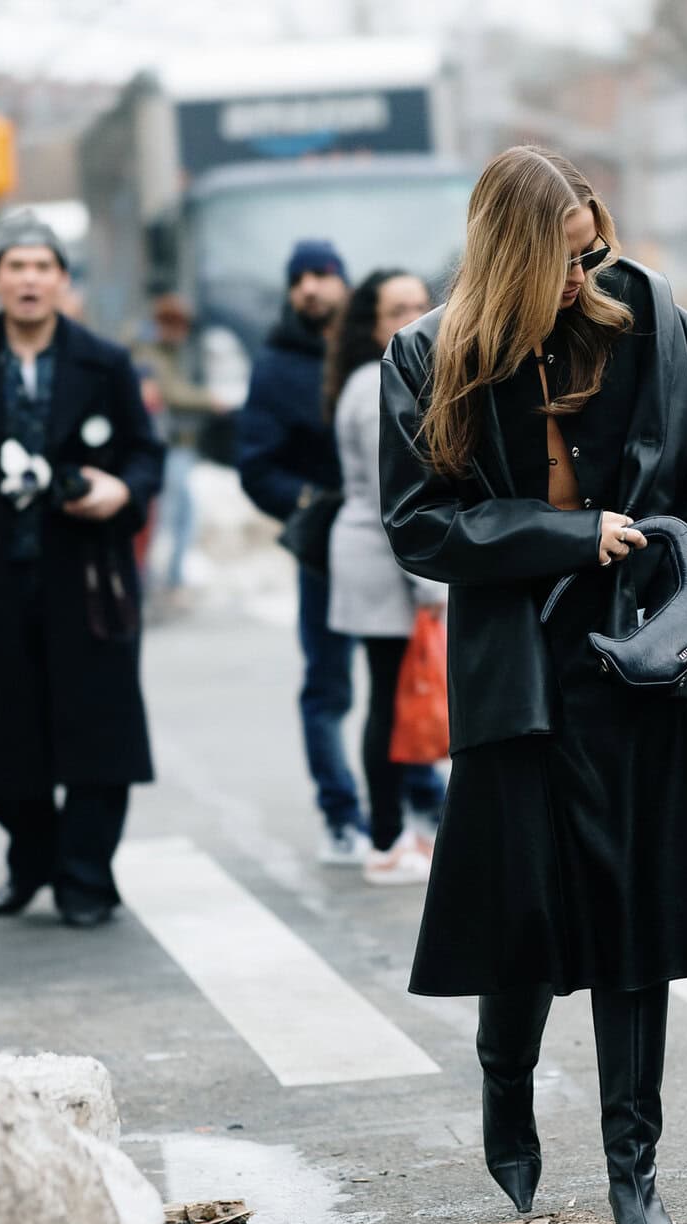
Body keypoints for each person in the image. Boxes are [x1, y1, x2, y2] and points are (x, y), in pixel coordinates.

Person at [378, 146, 687, 1224]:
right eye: (560, 257)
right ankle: (507, 1094)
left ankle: (632, 1171)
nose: (581, 275)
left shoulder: (652, 323)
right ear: (510, 253)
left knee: (637, 927)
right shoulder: (431, 353)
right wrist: (565, 533)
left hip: (641, 660)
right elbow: (420, 522)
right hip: (520, 668)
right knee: (523, 918)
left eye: (590, 251)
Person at [0, 212, 163, 929]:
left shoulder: (106, 361)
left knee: (99, 731)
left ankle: (85, 875)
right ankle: (33, 856)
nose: (30, 279)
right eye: (16, 266)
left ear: (62, 280)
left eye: (43, 266)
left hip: (87, 574)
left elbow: (145, 453)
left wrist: (121, 490)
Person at [238, 237, 443, 865]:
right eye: (300, 276)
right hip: (353, 547)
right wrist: (305, 507)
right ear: (372, 319)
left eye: (324, 275)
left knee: (396, 685)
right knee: (347, 689)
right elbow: (259, 462)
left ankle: (408, 806)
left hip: (369, 541)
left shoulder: (389, 370)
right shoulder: (312, 371)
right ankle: (360, 823)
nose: (312, 287)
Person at [325, 268, 448, 886]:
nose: (414, 317)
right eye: (397, 308)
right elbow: (392, 497)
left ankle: (403, 830)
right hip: (381, 563)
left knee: (397, 699)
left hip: (376, 557)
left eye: (422, 304)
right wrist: (431, 587)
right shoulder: (380, 383)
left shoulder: (377, 378)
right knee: (390, 701)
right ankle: (385, 838)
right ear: (371, 324)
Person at [137, 291, 220, 592]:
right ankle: (154, 580)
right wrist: (209, 400)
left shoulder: (169, 354)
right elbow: (171, 394)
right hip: (164, 445)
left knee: (181, 512)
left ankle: (169, 577)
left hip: (177, 443)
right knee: (165, 515)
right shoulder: (149, 355)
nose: (183, 334)